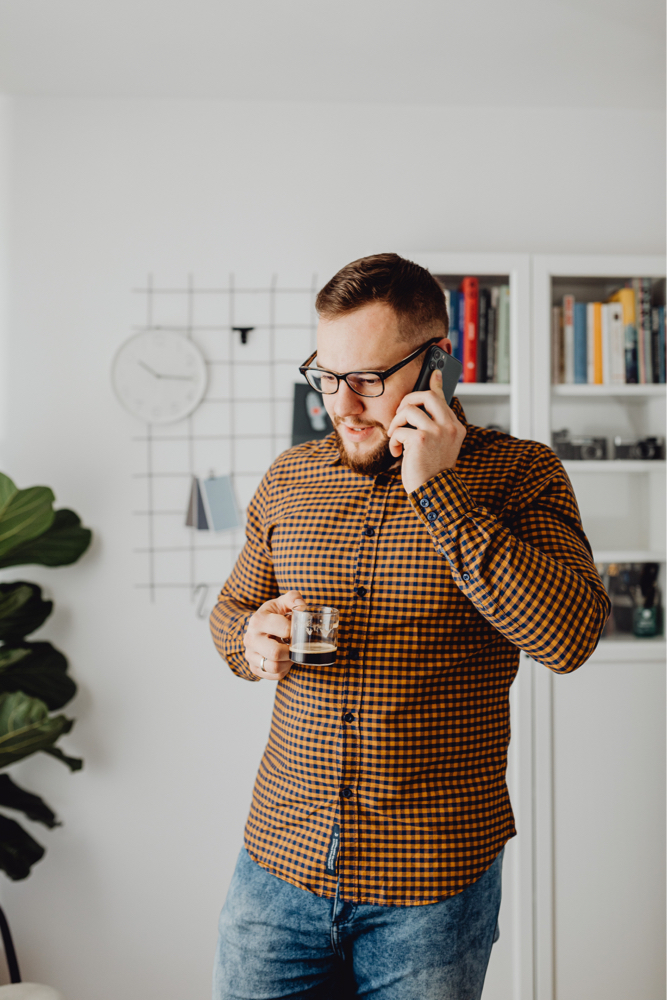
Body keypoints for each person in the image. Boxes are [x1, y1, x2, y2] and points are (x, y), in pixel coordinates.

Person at [210, 253, 610, 999]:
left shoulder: (521, 475)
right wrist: (249, 639)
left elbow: (570, 637)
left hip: (430, 887)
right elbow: (232, 610)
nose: (341, 402)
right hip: (275, 869)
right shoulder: (289, 478)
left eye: (366, 378)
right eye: (325, 376)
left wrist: (441, 491)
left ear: (438, 368)